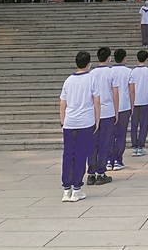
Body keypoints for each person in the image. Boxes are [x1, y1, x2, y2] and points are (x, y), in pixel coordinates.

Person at [60, 51, 100, 202]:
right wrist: (97, 120)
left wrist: (63, 121)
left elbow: (63, 102)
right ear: (89, 64)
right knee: (81, 154)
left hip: (70, 122)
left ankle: (66, 189)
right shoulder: (91, 79)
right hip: (85, 121)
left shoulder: (68, 80)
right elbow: (97, 101)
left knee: (68, 154)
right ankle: (77, 188)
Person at [86, 47, 119, 187]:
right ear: (108, 58)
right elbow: (115, 94)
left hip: (93, 112)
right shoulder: (111, 72)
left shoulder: (91, 74)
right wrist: (117, 111)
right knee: (105, 143)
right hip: (107, 112)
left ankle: (91, 173)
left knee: (92, 144)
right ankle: (101, 172)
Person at [107, 49, 132, 171]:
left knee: (110, 134)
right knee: (121, 135)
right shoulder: (128, 72)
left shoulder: (109, 71)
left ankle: (108, 159)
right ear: (124, 58)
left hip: (111, 108)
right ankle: (118, 159)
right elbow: (132, 90)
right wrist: (132, 105)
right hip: (124, 106)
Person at [129, 49, 148, 156]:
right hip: (145, 101)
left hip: (135, 102)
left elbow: (131, 88)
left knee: (134, 124)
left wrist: (131, 101)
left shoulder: (132, 72)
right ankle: (140, 146)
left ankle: (134, 145)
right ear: (147, 59)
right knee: (144, 124)